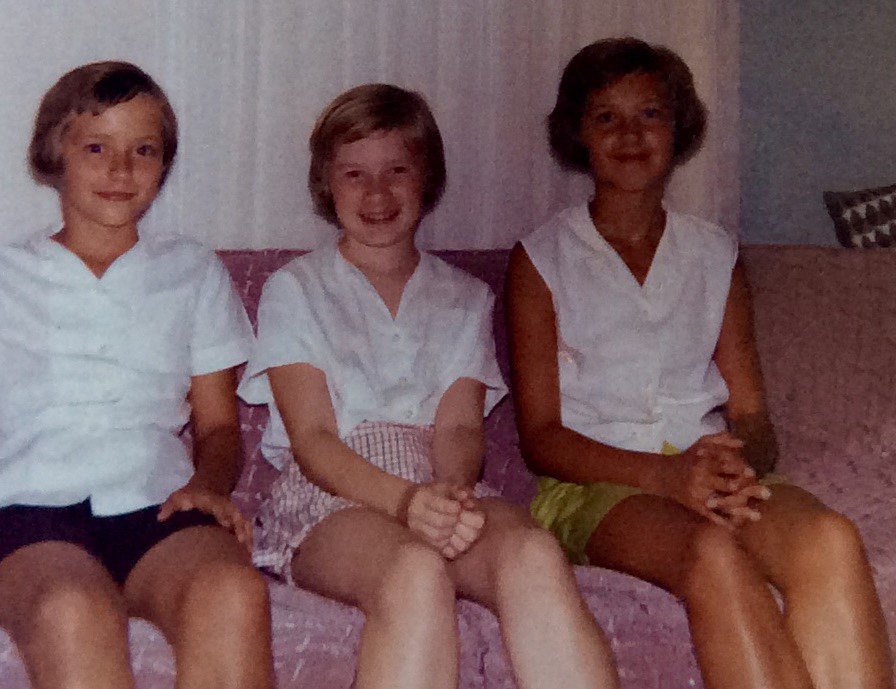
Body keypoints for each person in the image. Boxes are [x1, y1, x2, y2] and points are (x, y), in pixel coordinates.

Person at [506, 36, 894, 689]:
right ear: (578, 133)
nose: (630, 134)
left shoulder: (715, 253)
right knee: (712, 551)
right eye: (607, 117)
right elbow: (541, 438)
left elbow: (752, 414)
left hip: (705, 468)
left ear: (679, 127)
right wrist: (667, 477)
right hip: (600, 484)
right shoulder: (541, 259)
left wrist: (739, 462)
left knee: (829, 538)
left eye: (650, 114)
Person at [238, 83, 619, 689]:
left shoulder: (466, 297)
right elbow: (312, 441)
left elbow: (460, 427)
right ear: (326, 184)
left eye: (397, 171)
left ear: (428, 178)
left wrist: (447, 495)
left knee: (533, 552)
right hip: (335, 494)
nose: (377, 193)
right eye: (355, 174)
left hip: (438, 484)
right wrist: (405, 504)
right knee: (415, 569)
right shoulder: (297, 288)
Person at [0, 61, 274, 689]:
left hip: (159, 501)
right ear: (55, 153)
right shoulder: (7, 276)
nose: (121, 170)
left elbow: (218, 427)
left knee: (233, 592)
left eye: (143, 150)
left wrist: (209, 486)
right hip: (28, 508)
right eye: (97, 148)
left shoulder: (193, 271)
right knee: (74, 610)